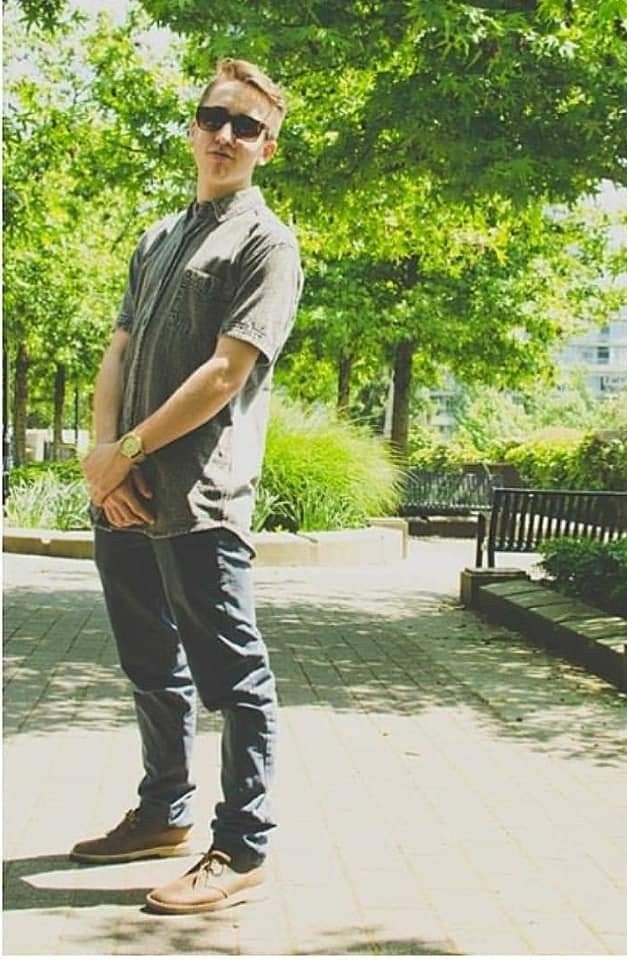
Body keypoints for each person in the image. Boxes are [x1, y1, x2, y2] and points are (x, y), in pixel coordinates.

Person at [73, 58, 303, 916]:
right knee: (148, 663)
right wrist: (105, 459)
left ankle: (243, 845)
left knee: (232, 676)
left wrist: (126, 449)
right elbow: (119, 353)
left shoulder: (266, 244)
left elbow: (223, 374)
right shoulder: (159, 236)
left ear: (266, 147)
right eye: (215, 117)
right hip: (126, 492)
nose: (226, 134)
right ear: (194, 126)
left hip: (198, 497)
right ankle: (163, 812)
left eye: (247, 126)